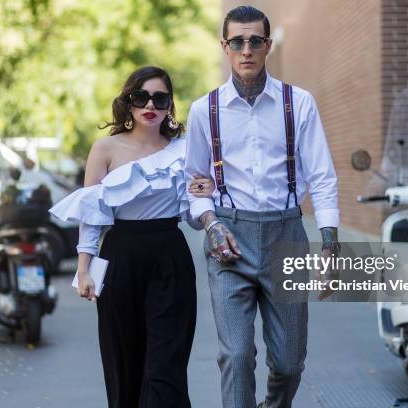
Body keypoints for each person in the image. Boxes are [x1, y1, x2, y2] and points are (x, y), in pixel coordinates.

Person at [184, 6, 340, 408]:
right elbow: (194, 184)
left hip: (286, 236)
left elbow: (322, 177)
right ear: (225, 47)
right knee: (235, 355)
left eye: (255, 41)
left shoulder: (298, 104)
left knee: (289, 363)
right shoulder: (206, 110)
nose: (247, 49)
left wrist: (329, 246)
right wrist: (210, 222)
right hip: (228, 239)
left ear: (268, 45)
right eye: (238, 41)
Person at [49, 66, 214, 408]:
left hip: (170, 258)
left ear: (170, 105)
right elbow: (92, 215)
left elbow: (194, 220)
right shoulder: (105, 149)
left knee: (166, 366)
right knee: (124, 362)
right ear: (128, 102)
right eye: (141, 97)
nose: (149, 105)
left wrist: (204, 197)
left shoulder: (184, 150)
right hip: (120, 258)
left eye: (160, 98)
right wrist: (84, 269)